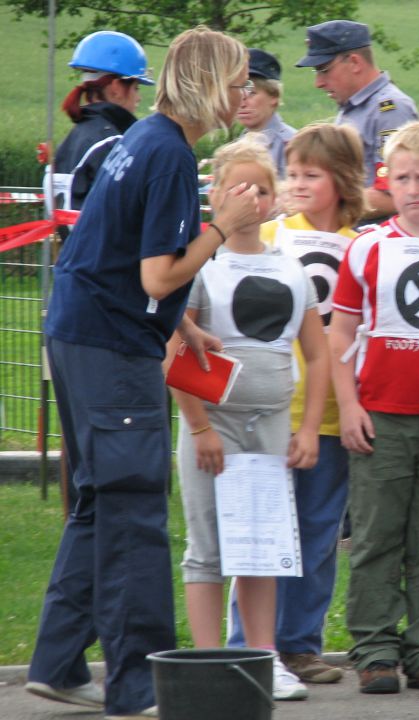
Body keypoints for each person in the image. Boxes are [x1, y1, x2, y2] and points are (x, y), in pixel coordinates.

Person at [25, 26, 260, 720]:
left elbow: (118, 252)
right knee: (133, 511)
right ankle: (136, 686)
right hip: (110, 349)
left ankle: (60, 663)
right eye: (239, 81)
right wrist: (226, 225)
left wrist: (180, 320)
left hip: (79, 332)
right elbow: (159, 270)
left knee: (100, 503)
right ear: (212, 83)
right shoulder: (169, 157)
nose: (244, 95)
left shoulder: (143, 140)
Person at [170, 137, 328, 702]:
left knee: (262, 546)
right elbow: (175, 352)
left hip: (269, 427)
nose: (252, 199)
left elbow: (317, 353)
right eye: (239, 189)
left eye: (262, 189)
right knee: (208, 547)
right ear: (216, 197)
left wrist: (307, 428)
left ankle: (263, 659)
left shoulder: (291, 269)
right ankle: (209, 661)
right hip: (212, 426)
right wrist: (200, 427)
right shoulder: (200, 266)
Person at [328, 121, 419, 694]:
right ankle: (374, 649)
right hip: (378, 415)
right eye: (403, 177)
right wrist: (348, 406)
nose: (414, 188)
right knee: (375, 535)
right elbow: (341, 334)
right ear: (387, 180)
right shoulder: (365, 246)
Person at [226, 122, 366, 686]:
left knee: (317, 531)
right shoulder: (276, 235)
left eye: (314, 174)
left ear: (343, 181)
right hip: (271, 409)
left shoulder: (363, 245)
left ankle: (302, 643)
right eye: (295, 173)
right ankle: (248, 644)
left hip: (329, 416)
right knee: (260, 528)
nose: (300, 183)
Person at [296, 20, 419, 220]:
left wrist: (322, 207)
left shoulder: (390, 109)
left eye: (324, 70)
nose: (318, 83)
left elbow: (394, 194)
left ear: (354, 62)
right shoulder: (353, 106)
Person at [44, 31, 153, 227]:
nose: (138, 98)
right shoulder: (111, 143)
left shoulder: (74, 137)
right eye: (136, 88)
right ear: (116, 88)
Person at [236, 49, 296, 177]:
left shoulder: (290, 145)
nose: (242, 102)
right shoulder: (241, 142)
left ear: (274, 96)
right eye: (238, 92)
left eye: (252, 93)